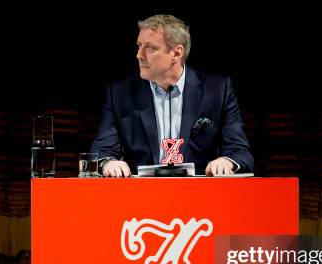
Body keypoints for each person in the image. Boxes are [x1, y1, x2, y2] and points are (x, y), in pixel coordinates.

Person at [91, 14, 253, 177]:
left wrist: (226, 161)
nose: (139, 55)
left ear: (176, 53)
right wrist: (110, 163)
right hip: (142, 195)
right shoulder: (120, 94)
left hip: (199, 195)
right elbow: (102, 150)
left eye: (150, 48)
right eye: (139, 46)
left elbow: (240, 152)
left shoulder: (217, 90)